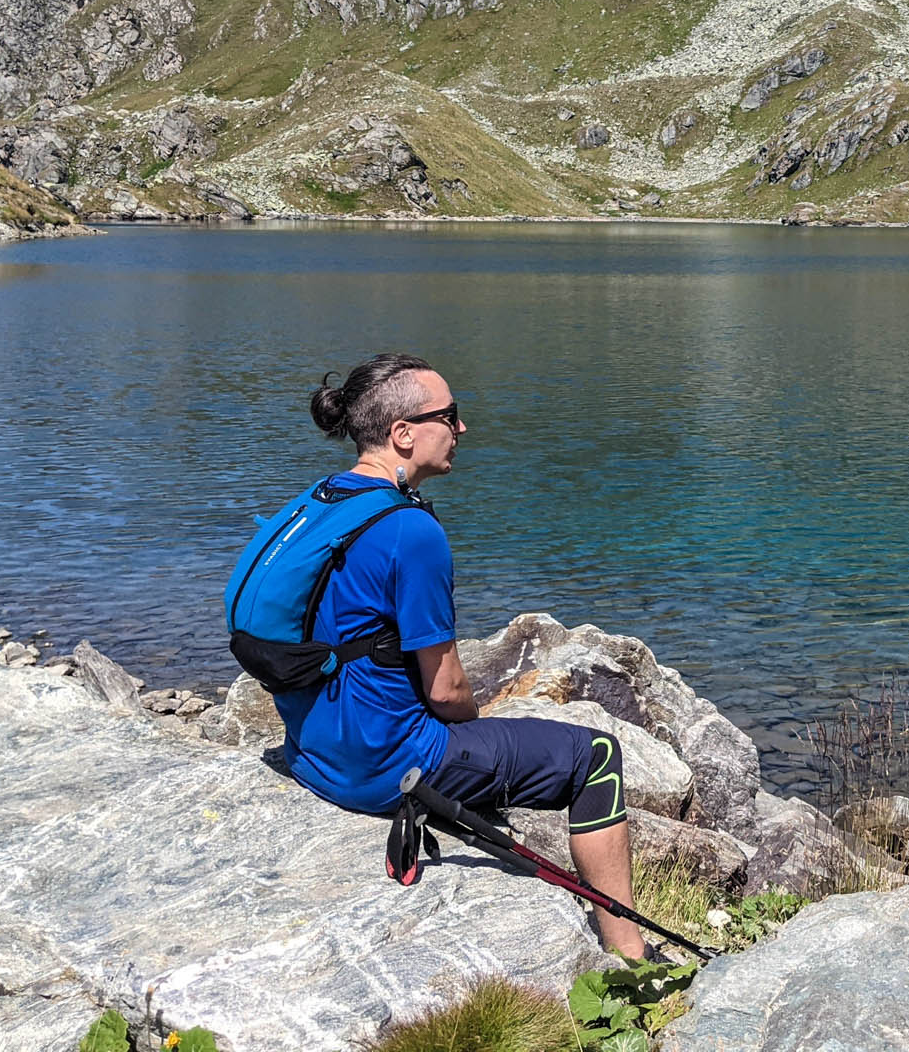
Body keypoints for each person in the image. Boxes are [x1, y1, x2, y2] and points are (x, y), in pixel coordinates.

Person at [274, 351, 646, 958]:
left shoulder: (320, 502)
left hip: (315, 754)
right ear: (403, 433)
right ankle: (630, 954)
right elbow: (446, 692)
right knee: (595, 754)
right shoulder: (411, 531)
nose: (462, 428)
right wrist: (480, 728)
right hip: (389, 768)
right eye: (449, 415)